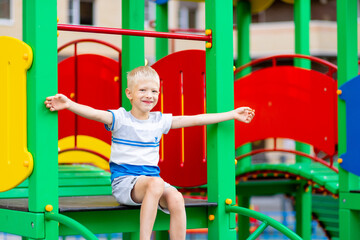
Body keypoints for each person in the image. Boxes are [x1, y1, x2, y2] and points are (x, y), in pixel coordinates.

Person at [45, 66, 255, 240]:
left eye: (154, 91)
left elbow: (196, 119)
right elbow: (95, 114)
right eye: (143, 90)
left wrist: (232, 114)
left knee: (176, 197)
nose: (149, 95)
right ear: (130, 94)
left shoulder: (158, 121)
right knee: (156, 183)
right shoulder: (121, 119)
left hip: (150, 183)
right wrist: (69, 104)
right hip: (126, 184)